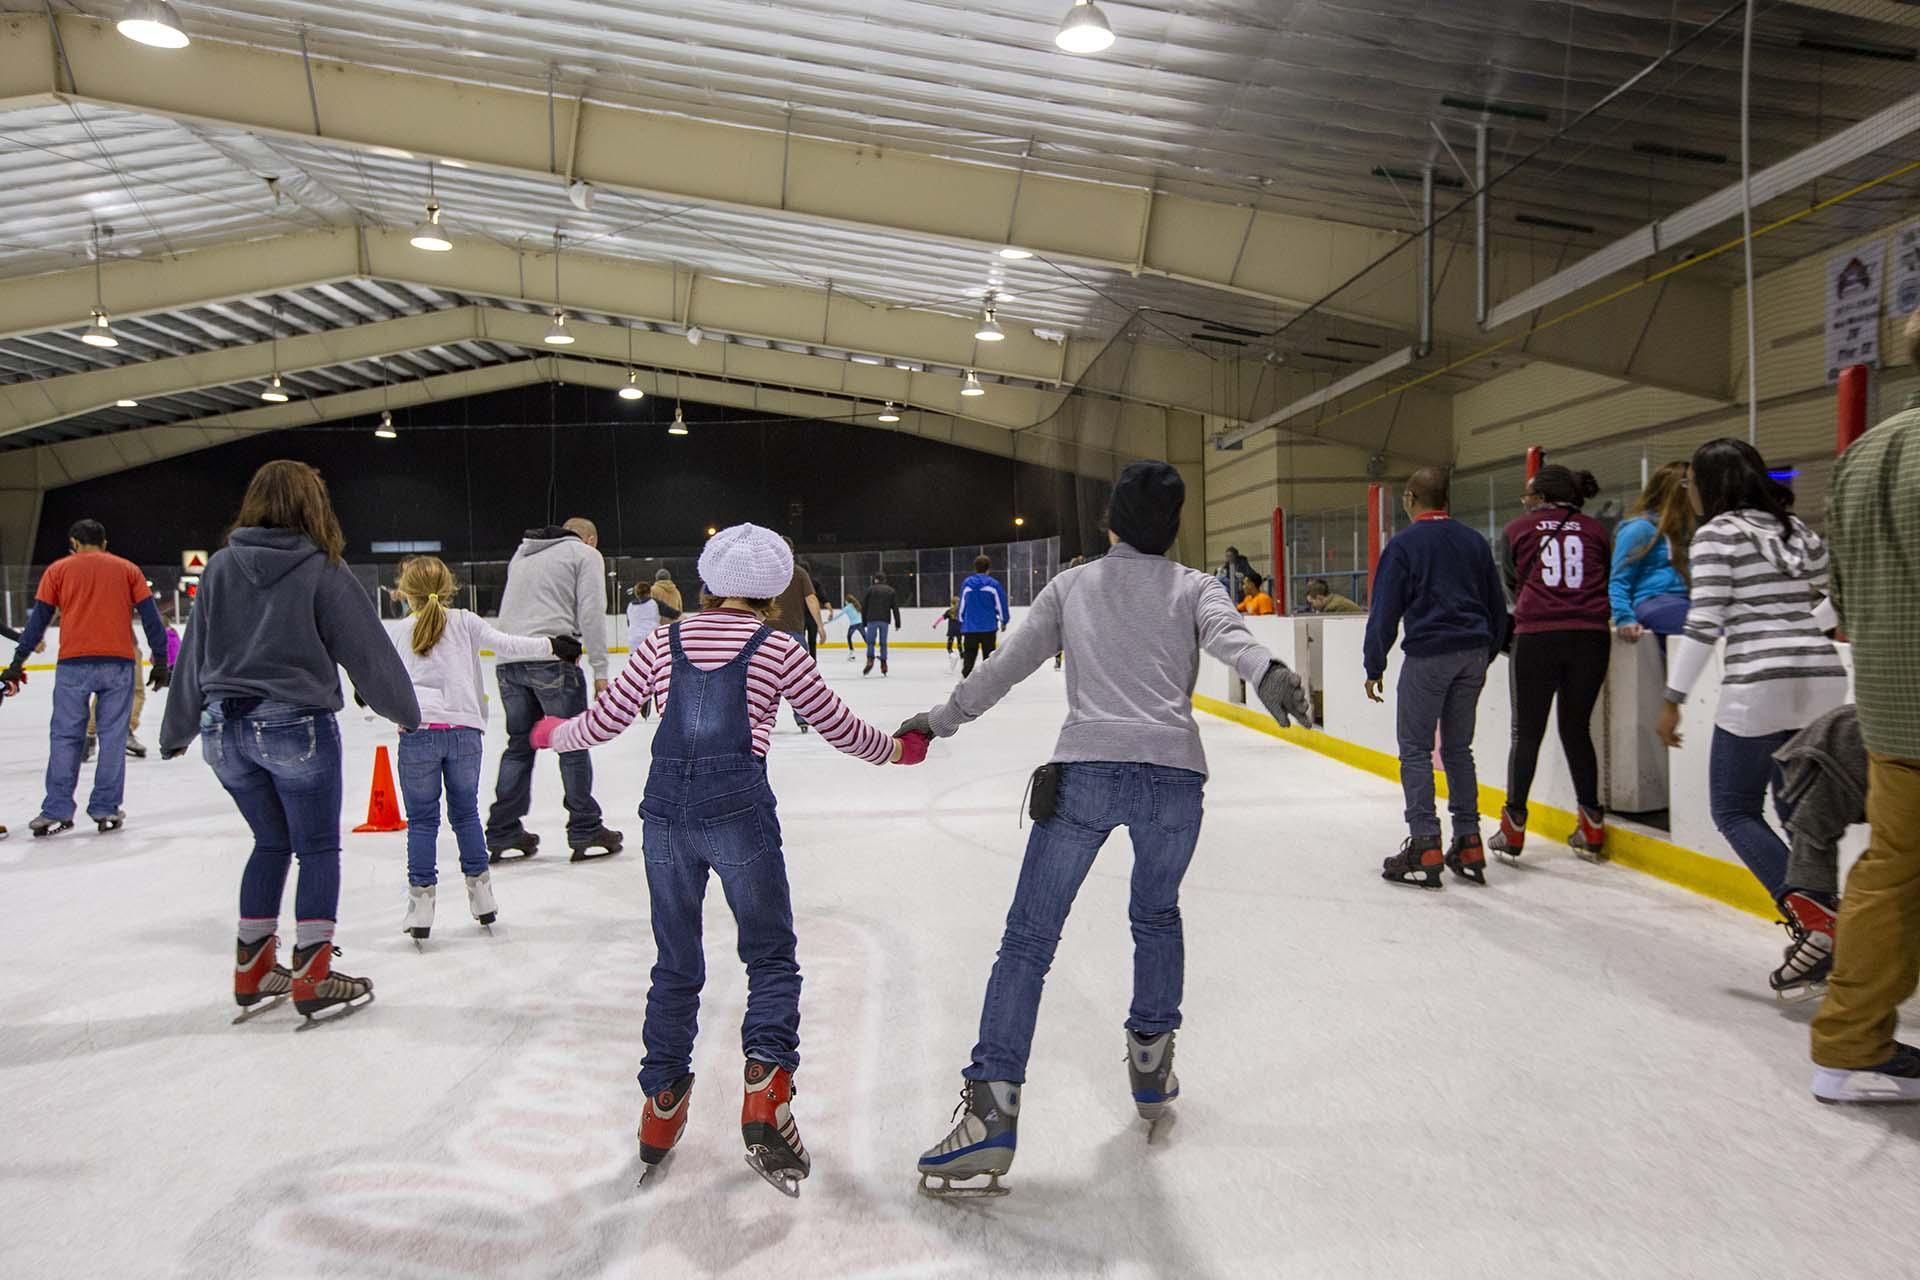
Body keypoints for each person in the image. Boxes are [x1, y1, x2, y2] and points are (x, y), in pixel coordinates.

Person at [899, 460, 1313, 1196]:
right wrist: (1270, 672)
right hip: (1175, 777)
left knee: (1028, 939)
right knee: (1156, 915)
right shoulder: (1196, 587)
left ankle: (992, 1112)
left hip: (1087, 773)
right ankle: (1151, 1070)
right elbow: (1230, 638)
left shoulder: (1073, 585)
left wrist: (939, 721)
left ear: (1113, 522)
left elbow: (1006, 667)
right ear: (1174, 527)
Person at [530, 523, 928, 1191]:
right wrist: (895, 749)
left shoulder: (663, 639)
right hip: (738, 811)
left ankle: (661, 1104)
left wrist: (554, 733)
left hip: (665, 817)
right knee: (769, 952)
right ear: (773, 591)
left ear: (706, 583)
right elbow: (835, 724)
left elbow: (610, 717)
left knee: (676, 961)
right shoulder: (779, 647)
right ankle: (765, 1084)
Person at [157, 460, 419, 1026]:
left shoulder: (221, 567)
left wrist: (176, 729)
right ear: (313, 506)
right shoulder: (321, 567)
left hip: (222, 732)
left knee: (270, 843)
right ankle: (314, 974)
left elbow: (195, 653)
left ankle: (253, 968)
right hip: (293, 728)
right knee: (317, 848)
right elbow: (368, 651)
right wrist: (406, 712)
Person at [1657, 439, 1847, 910]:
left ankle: (1813, 916)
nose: (1689, 492)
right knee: (1795, 813)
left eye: (1690, 483)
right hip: (1821, 680)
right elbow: (1844, 590)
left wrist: (1672, 700)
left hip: (1759, 685)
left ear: (1708, 485)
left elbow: (1704, 622)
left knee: (1734, 808)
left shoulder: (1717, 535)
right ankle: (1826, 922)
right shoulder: (1795, 529)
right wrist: (1804, 626)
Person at [1808, 312, 1920, 1104]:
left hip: (1891, 702)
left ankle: (1849, 1040)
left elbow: (1837, 596)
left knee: (1891, 869)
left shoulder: (1864, 454)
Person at [390, 556, 582, 942]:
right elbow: (508, 644)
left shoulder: (400, 631)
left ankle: (422, 904)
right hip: (464, 734)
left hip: (419, 735)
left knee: (423, 821)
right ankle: (481, 896)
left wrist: (368, 695)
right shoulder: (464, 621)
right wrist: (554, 646)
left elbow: (381, 673)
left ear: (404, 591)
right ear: (448, 587)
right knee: (465, 816)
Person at [1363, 466, 1510, 889]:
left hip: (1429, 655)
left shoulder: (1405, 545)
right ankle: (1468, 839)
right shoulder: (1473, 541)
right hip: (1473, 654)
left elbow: (1386, 609)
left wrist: (1374, 664)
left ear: (1410, 498)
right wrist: (1488, 648)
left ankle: (1425, 842)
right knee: (1459, 749)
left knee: (1415, 749)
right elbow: (1496, 602)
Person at [3, 519, 170, 837]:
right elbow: (151, 619)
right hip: (118, 665)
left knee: (65, 737)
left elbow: (38, 622)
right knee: (113, 738)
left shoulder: (57, 570)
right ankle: (106, 808)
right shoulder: (128, 570)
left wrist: (16, 662)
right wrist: (161, 661)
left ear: (74, 543)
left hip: (73, 666)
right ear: (104, 543)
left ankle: (56, 810)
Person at [1489, 465, 1614, 861]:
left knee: (1526, 733)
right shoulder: (1596, 531)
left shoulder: (1516, 529)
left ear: (1541, 495)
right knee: (1577, 729)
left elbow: (1512, 581)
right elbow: (1604, 574)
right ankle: (1592, 825)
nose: (1525, 500)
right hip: (1591, 636)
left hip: (1538, 635)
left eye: (1529, 494)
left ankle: (1513, 829)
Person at [485, 516, 620, 862]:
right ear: (590, 539)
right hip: (553, 656)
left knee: (518, 745)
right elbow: (591, 612)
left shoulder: (523, 553)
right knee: (572, 743)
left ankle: (503, 830)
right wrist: (601, 670)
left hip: (507, 659)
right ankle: (585, 828)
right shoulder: (585, 555)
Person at [1609, 461, 1693, 648]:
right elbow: (1619, 580)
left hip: (1686, 601)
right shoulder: (1639, 529)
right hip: (1655, 601)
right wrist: (1624, 618)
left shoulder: (1682, 531)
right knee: (1693, 634)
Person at [766, 540, 824, 731]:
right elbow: (811, 599)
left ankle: (764, 719)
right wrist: (820, 626)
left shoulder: (767, 573)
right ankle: (802, 719)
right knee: (798, 681)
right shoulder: (799, 572)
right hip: (791, 635)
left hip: (768, 635)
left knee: (767, 679)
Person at [957, 555, 1010, 678]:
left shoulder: (967, 584)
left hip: (970, 628)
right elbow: (1001, 604)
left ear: (975, 568)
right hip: (988, 628)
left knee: (969, 658)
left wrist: (961, 620)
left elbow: (962, 605)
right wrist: (1004, 621)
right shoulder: (993, 584)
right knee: (989, 659)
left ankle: (965, 685)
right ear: (988, 569)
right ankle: (988, 686)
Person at [860, 574, 902, 676]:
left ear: (875, 580)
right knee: (883, 642)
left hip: (871, 619)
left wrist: (864, 621)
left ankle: (870, 660)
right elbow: (895, 608)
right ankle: (884, 663)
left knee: (870, 642)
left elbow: (864, 607)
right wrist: (898, 623)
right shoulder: (890, 591)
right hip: (884, 620)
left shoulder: (870, 590)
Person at [628, 568, 674, 644]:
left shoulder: (630, 606)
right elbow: (674, 612)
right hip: (656, 635)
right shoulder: (675, 591)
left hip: (634, 638)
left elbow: (630, 623)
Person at [936, 596, 962, 671]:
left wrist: (935, 624)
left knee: (949, 647)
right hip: (959, 631)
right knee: (960, 646)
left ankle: (952, 655)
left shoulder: (949, 611)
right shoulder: (960, 612)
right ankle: (963, 662)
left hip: (951, 631)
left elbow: (941, 618)